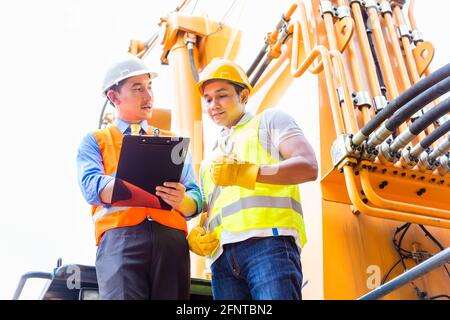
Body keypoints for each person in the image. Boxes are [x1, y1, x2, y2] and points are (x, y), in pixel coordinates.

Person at [187, 58, 318, 300]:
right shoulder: (209, 159)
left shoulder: (269, 121)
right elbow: (215, 206)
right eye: (208, 99)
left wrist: (248, 172)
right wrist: (200, 231)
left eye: (222, 95)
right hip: (221, 261)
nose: (213, 104)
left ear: (244, 95)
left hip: (268, 245)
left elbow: (308, 166)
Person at [77, 54, 203, 300]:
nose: (148, 96)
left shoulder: (172, 140)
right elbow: (91, 186)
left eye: (149, 87)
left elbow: (196, 197)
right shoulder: (95, 141)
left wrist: (182, 199)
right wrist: (129, 182)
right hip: (120, 241)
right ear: (114, 97)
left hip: (171, 241)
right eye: (138, 89)